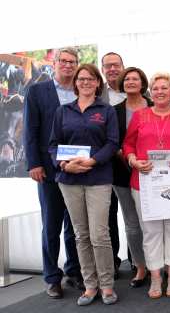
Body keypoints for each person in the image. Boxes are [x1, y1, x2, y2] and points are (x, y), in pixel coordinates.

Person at [49, 63, 119, 306]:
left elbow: (112, 143)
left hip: (98, 178)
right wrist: (63, 165)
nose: (86, 82)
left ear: (98, 83)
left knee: (100, 234)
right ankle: (90, 285)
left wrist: (92, 160)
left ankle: (107, 285)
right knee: (81, 235)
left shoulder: (106, 110)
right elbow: (53, 144)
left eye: (90, 79)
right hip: (69, 180)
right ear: (75, 83)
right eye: (81, 79)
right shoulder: (63, 111)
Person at [123, 72, 170, 299]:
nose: (160, 92)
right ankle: (155, 277)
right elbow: (128, 145)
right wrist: (133, 161)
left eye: (165, 88)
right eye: (156, 88)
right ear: (150, 92)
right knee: (151, 230)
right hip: (144, 182)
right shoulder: (139, 116)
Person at [23, 47, 83, 299]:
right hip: (47, 170)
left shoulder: (83, 89)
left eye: (73, 62)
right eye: (64, 61)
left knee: (75, 225)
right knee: (51, 226)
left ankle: (74, 270)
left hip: (78, 168)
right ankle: (51, 278)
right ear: (55, 63)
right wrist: (33, 163)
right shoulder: (37, 91)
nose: (68, 65)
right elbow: (30, 130)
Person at [112, 67, 153, 287]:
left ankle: (159, 265)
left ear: (142, 83)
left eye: (135, 78)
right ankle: (140, 266)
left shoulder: (155, 106)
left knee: (154, 221)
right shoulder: (114, 111)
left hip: (153, 173)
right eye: (126, 79)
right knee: (132, 224)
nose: (130, 82)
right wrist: (128, 157)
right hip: (122, 172)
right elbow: (111, 140)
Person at [100, 52, 125, 276]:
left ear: (123, 66)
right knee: (108, 217)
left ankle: (139, 262)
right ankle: (113, 262)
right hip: (105, 164)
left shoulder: (140, 91)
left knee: (135, 216)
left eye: (116, 65)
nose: (112, 69)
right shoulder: (97, 95)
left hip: (131, 164)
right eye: (107, 66)